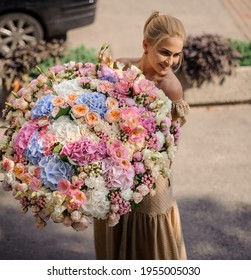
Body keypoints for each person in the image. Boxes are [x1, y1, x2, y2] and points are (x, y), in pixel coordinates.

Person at [93, 11, 189, 260]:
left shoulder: (171, 87)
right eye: (165, 52)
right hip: (113, 163)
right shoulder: (121, 68)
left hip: (149, 169)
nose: (171, 61)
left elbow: (170, 140)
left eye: (177, 54)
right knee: (116, 217)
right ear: (146, 45)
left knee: (151, 222)